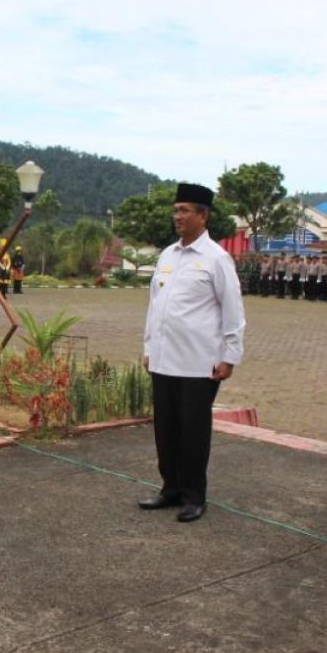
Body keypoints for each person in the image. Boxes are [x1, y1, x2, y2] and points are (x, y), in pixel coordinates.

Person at [139, 183, 245, 524]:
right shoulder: (167, 255)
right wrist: (148, 347)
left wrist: (230, 356)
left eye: (185, 210)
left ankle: (194, 495)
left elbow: (233, 311)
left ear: (203, 215)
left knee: (193, 431)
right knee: (165, 428)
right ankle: (170, 487)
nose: (178, 216)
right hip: (164, 359)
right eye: (176, 210)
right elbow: (155, 306)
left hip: (200, 363)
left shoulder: (216, 258)